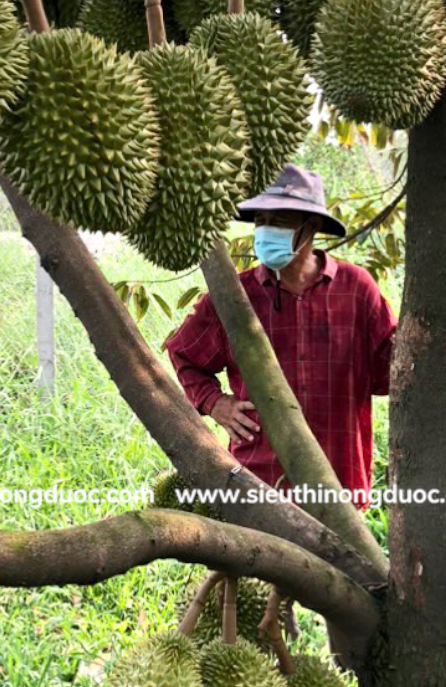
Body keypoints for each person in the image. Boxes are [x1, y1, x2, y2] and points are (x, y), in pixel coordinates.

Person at [165, 164, 397, 510]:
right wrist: (216, 403)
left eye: (280, 220)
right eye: (262, 220)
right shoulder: (234, 297)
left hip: (339, 482)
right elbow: (183, 354)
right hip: (258, 481)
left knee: (337, 565)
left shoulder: (356, 289)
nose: (267, 231)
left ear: (312, 226)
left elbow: (389, 373)